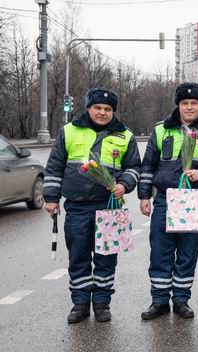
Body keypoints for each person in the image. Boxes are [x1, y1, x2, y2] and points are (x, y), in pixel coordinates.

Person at [43, 88, 141, 323]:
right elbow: (55, 166)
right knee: (78, 256)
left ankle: (101, 303)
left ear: (113, 112)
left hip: (109, 206)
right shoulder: (69, 131)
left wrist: (124, 185)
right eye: (98, 108)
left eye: (108, 109)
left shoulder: (124, 135)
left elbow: (135, 168)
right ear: (88, 108)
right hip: (77, 206)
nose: (102, 112)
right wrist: (51, 198)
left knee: (106, 257)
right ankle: (80, 303)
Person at [138, 82, 198, 320]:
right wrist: (144, 195)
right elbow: (148, 165)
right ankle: (159, 301)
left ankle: (181, 300)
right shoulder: (160, 131)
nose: (189, 107)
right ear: (178, 105)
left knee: (188, 252)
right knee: (160, 251)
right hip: (164, 199)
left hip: (193, 200)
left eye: (194, 103)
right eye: (185, 103)